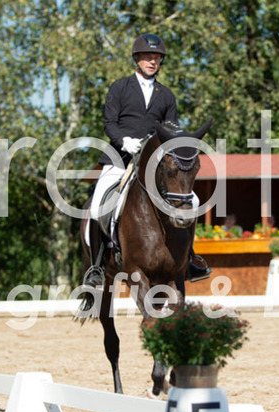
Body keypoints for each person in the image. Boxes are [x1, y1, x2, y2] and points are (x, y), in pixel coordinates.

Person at [83, 33, 211, 288]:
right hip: (120, 158)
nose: (153, 62)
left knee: (192, 201)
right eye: (147, 57)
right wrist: (124, 140)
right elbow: (109, 123)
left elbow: (171, 128)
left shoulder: (166, 95)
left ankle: (189, 259)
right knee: (98, 205)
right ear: (137, 59)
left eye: (157, 58)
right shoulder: (120, 88)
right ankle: (97, 267)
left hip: (153, 164)